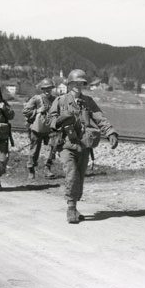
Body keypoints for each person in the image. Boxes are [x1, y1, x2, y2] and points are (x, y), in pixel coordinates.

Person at [49, 69, 119, 224]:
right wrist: (60, 120)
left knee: (79, 177)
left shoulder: (88, 101)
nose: (78, 86)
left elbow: (100, 118)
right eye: (75, 83)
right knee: (72, 174)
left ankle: (74, 203)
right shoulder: (60, 101)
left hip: (84, 146)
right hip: (66, 145)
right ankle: (71, 208)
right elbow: (51, 120)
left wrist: (111, 132)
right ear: (69, 84)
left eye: (81, 83)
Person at [22, 78, 57, 179]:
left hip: (50, 128)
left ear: (52, 89)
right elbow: (25, 111)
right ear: (42, 89)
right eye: (45, 88)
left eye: (49, 88)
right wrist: (38, 111)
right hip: (37, 129)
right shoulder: (36, 99)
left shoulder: (55, 100)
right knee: (34, 151)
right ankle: (31, 170)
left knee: (53, 148)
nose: (47, 90)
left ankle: (47, 168)